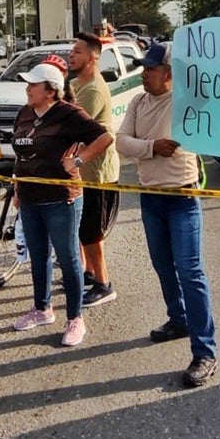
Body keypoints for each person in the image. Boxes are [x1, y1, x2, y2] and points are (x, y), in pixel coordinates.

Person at [116, 42, 218, 387]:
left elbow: (210, 89)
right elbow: (120, 142)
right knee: (162, 264)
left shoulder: (184, 101)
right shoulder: (137, 101)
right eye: (143, 68)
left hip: (182, 196)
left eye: (151, 69)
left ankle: (205, 351)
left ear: (170, 74)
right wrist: (151, 148)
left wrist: (141, 150)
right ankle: (178, 319)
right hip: (151, 198)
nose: (144, 74)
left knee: (191, 272)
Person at [10, 60, 114, 348]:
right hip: (30, 197)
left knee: (68, 259)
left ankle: (75, 317)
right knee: (39, 255)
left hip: (61, 199)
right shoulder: (25, 112)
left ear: (51, 90)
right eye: (28, 84)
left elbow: (105, 137)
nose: (28, 89)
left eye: (33, 84)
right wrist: (17, 187)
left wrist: (78, 159)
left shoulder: (68, 114)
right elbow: (21, 153)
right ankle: (42, 309)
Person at [68, 32, 122, 308]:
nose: (71, 54)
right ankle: (89, 272)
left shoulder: (93, 90)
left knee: (91, 231)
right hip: (82, 172)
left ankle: (103, 283)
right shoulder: (76, 84)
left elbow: (74, 128)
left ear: (92, 58)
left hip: (97, 173)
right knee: (82, 228)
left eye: (77, 51)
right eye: (72, 50)